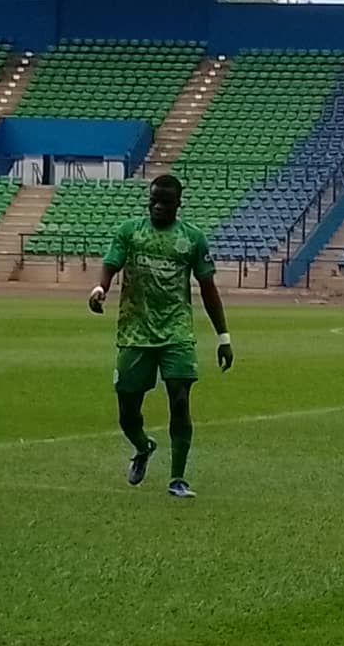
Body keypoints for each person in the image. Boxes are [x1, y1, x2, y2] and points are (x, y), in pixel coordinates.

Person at [87, 174, 234, 498]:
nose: (157, 206)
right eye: (153, 200)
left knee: (180, 400)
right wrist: (100, 288)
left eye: (164, 202)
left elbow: (208, 288)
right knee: (128, 411)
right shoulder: (130, 232)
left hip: (177, 331)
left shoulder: (192, 239)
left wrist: (223, 336)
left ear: (178, 204)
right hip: (135, 331)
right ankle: (143, 446)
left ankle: (177, 479)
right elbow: (111, 265)